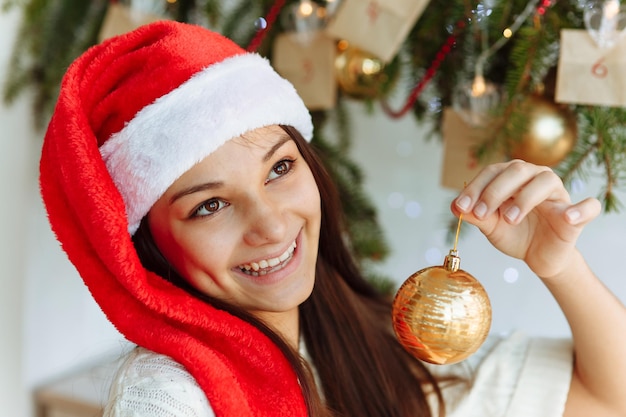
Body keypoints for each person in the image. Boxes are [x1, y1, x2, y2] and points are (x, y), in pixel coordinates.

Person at [39, 20, 626, 417]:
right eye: (209, 205)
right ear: (148, 248)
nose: (271, 224)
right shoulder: (168, 396)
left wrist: (560, 265)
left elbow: (606, 398)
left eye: (279, 168)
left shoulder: (356, 340)